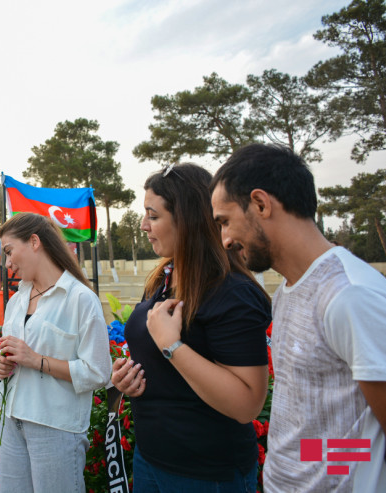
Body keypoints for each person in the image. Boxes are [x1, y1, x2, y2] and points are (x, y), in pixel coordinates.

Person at [210, 143, 386, 492]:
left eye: (225, 221)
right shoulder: (288, 293)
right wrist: (304, 464)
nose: (225, 239)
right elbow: (313, 427)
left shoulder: (349, 295)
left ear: (261, 204)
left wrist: (338, 473)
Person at [112, 163, 271, 492]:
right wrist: (126, 378)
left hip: (205, 473)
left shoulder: (232, 291)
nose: (143, 225)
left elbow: (247, 403)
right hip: (151, 458)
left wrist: (173, 347)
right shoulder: (163, 279)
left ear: (187, 219)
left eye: (153, 215)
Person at [0, 212, 111, 493]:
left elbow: (98, 372)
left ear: (34, 242)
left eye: (9, 252)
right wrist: (0, 363)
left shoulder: (80, 299)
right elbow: (13, 355)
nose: (7, 264)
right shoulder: (17, 301)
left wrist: (36, 360)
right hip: (12, 422)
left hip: (56, 428)